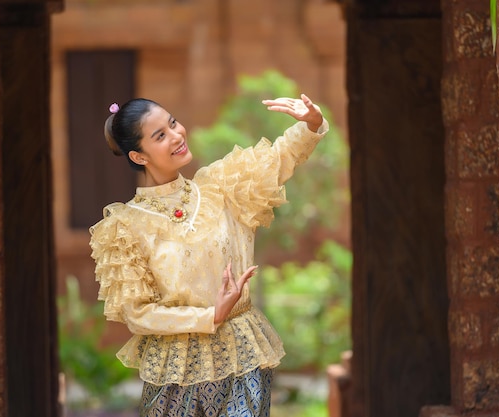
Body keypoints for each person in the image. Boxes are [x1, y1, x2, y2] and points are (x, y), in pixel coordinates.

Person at [89, 94, 328, 417]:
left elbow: (279, 158)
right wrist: (209, 317)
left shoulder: (221, 187)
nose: (176, 135)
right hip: (173, 371)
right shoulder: (125, 227)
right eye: (160, 136)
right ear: (138, 155)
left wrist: (310, 124)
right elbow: (137, 312)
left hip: (241, 354)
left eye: (173, 123)